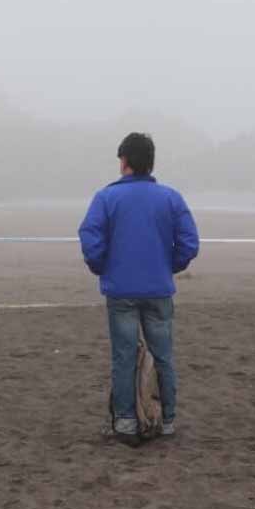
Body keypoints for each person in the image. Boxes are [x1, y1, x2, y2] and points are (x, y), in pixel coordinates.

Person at [78, 132, 200, 447]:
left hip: (121, 290)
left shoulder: (106, 198)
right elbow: (188, 242)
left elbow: (90, 238)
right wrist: (168, 265)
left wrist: (102, 266)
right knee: (163, 355)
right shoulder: (170, 198)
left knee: (124, 356)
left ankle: (127, 421)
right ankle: (168, 420)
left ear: (125, 161)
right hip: (158, 289)